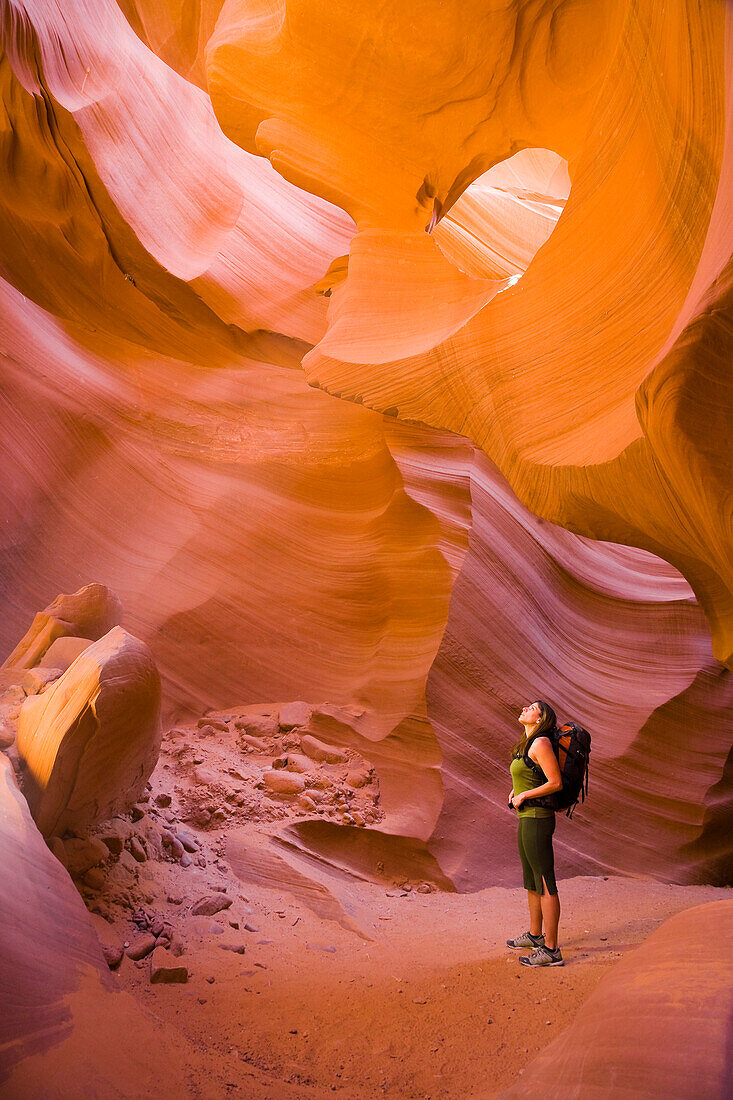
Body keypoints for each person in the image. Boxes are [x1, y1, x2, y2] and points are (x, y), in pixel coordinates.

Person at [506, 700, 564, 967]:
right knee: (531, 879)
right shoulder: (527, 744)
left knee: (544, 881)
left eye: (532, 708)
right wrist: (516, 791)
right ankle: (535, 935)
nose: (525, 709)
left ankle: (552, 951)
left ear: (540, 719)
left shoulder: (541, 744)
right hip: (526, 817)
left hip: (538, 819)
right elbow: (529, 776)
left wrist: (526, 794)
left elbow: (555, 783)